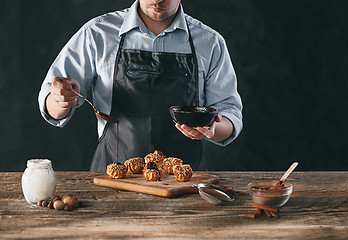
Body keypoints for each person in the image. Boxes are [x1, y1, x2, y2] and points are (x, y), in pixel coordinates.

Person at [38, 0, 243, 171]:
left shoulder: (210, 42)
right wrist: (60, 99)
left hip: (185, 182)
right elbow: (51, 108)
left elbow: (229, 113)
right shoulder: (97, 33)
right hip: (114, 176)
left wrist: (213, 129)